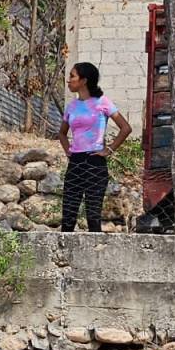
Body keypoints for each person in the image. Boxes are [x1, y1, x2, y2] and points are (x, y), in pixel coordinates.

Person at [58, 62, 132, 233]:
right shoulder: (72, 106)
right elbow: (62, 133)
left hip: (95, 161)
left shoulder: (102, 102)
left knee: (93, 215)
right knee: (68, 214)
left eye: (72, 76)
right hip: (75, 162)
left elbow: (125, 128)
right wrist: (68, 150)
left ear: (83, 80)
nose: (68, 81)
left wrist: (110, 149)